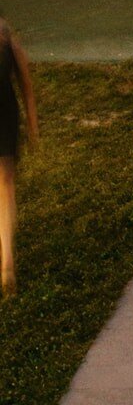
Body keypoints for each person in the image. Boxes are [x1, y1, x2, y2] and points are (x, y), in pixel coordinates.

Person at [0, 17, 38, 296]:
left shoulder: (7, 39)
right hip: (6, 116)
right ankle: (7, 263)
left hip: (5, 117)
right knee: (5, 188)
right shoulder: (7, 37)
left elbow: (25, 85)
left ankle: (7, 264)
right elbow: (26, 85)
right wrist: (33, 127)